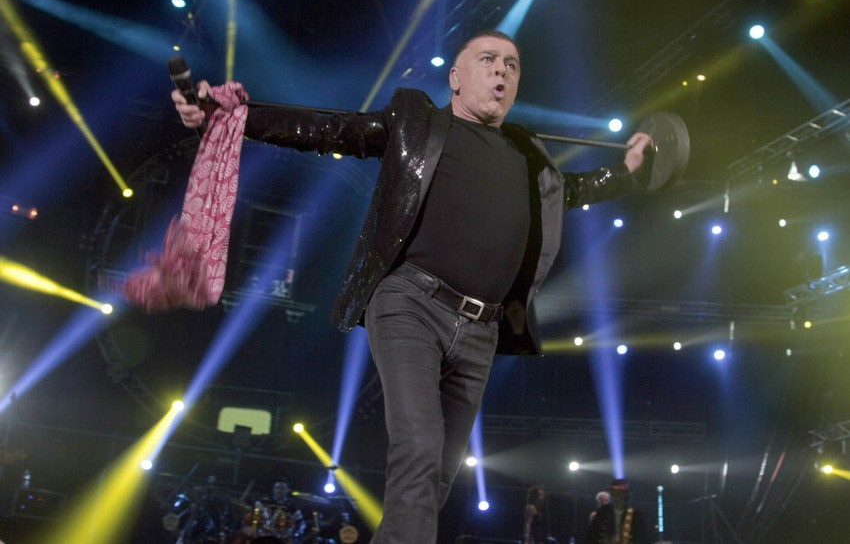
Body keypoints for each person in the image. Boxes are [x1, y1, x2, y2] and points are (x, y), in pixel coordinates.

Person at [172, 30, 654, 544]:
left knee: (438, 475)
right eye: (488, 59)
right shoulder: (417, 122)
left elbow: (568, 192)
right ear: (456, 79)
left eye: (512, 65)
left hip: (482, 330)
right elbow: (334, 130)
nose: (502, 70)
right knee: (419, 448)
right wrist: (234, 117)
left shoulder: (527, 154)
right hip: (411, 304)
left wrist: (626, 174)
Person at [586, 479, 650, 544]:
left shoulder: (636, 515)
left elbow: (642, 539)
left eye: (621, 494)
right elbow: (592, 536)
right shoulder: (602, 512)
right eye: (615, 493)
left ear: (627, 496)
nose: (618, 497)